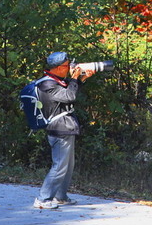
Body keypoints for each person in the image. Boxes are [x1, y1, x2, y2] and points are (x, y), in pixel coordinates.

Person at [32, 51, 103, 210]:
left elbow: (69, 91)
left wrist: (81, 79)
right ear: (57, 68)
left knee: (68, 166)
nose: (69, 68)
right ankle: (43, 199)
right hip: (59, 129)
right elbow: (69, 96)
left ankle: (61, 197)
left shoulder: (56, 81)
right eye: (66, 66)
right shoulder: (47, 84)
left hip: (66, 127)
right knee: (59, 166)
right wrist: (75, 78)